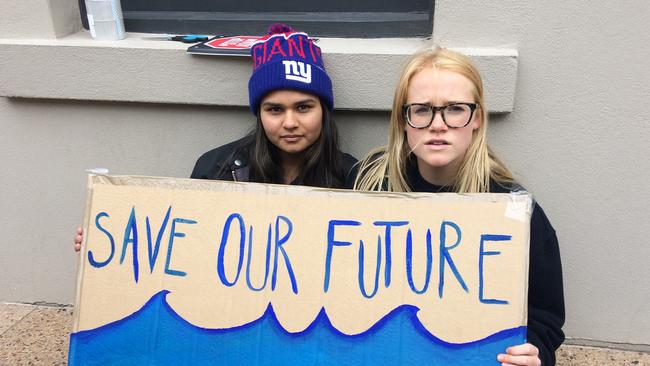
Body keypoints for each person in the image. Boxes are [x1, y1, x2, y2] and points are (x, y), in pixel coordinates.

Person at [350, 47, 564, 366]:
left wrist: (534, 353)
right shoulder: (367, 185)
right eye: (422, 110)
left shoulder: (514, 212)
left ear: (476, 118)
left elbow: (544, 318)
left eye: (455, 109)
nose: (438, 124)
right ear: (403, 119)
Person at [74, 24, 356, 251]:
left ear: (324, 110)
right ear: (259, 114)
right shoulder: (217, 168)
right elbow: (182, 242)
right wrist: (107, 240)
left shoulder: (354, 177)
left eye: (304, 107)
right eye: (275, 109)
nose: (290, 122)